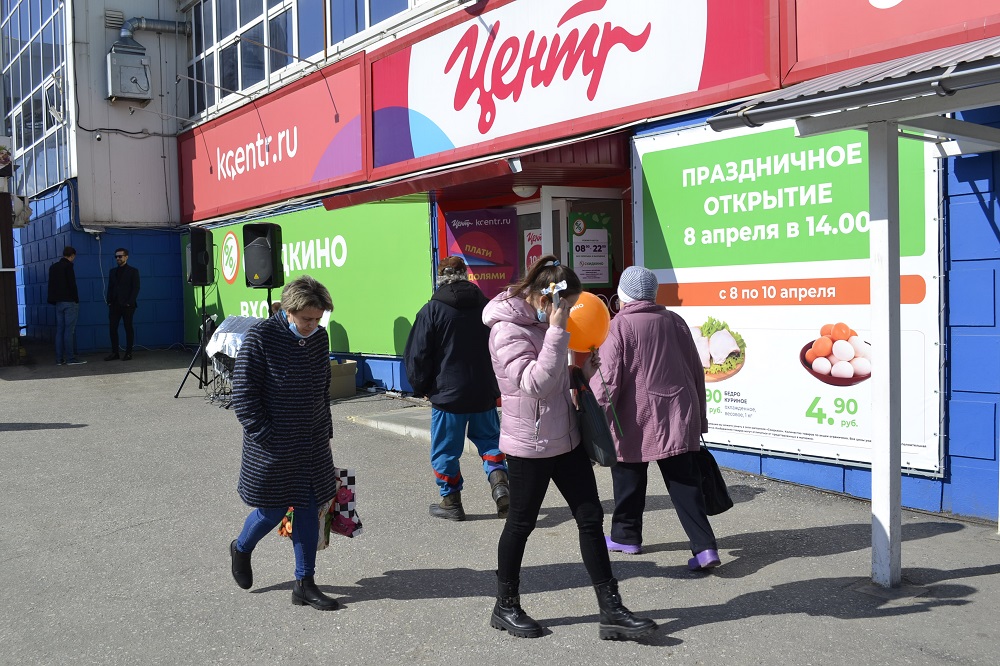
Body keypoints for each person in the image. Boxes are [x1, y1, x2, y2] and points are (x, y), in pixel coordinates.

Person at [482, 255, 657, 641]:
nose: (569, 313)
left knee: (591, 519)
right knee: (521, 524)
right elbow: (533, 384)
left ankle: (611, 609)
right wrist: (559, 334)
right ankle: (505, 605)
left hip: (566, 438)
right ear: (546, 300)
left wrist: (584, 371)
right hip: (529, 444)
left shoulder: (545, 324)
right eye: (566, 305)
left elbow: (556, 380)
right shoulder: (506, 331)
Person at [590, 265, 721, 571]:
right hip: (678, 415)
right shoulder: (676, 321)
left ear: (623, 295)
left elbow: (606, 382)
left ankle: (626, 535)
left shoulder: (618, 326)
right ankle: (705, 548)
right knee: (684, 485)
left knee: (628, 478)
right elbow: (695, 374)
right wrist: (699, 418)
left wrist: (593, 423)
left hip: (634, 419)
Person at [228, 275, 341, 611]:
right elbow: (244, 397)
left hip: (312, 444)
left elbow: (324, 390)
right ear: (289, 310)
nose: (313, 325)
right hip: (273, 446)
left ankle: (304, 583)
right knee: (273, 510)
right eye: (307, 318)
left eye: (318, 319)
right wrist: (267, 437)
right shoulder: (261, 338)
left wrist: (326, 434)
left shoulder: (319, 338)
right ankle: (242, 547)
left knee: (309, 509)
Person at [403, 256, 508, 521]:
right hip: (483, 391)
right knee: (490, 443)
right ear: (466, 275)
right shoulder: (486, 307)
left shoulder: (432, 310)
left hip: (448, 397)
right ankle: (501, 488)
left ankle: (451, 502)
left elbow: (417, 355)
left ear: (440, 277)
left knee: (445, 451)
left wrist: (422, 387)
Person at [48, 246, 86, 365]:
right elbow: (72, 284)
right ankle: (70, 358)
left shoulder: (53, 267)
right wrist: (76, 299)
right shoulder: (68, 266)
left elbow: (51, 285)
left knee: (60, 330)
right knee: (69, 331)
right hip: (69, 302)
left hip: (58, 302)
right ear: (72, 255)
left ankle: (59, 359)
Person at [104, 248, 140, 361]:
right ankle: (115, 353)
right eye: (116, 256)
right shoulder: (112, 271)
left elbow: (136, 288)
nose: (118, 258)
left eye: (120, 256)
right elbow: (110, 287)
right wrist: (109, 301)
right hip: (114, 304)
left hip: (127, 305)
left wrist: (129, 302)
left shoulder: (133, 271)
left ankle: (128, 353)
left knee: (128, 328)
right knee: (112, 329)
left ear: (126, 257)